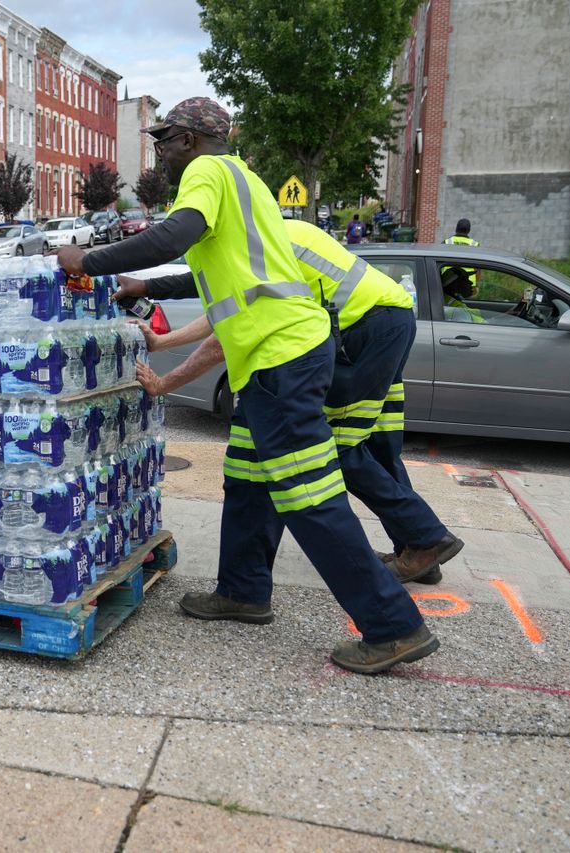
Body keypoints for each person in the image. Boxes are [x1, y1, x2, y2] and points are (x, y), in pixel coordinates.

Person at [55, 97, 437, 675]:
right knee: (249, 478)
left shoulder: (207, 172)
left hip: (281, 357)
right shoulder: (247, 182)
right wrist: (140, 281)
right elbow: (210, 265)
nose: (160, 152)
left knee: (308, 494)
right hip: (274, 358)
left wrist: (89, 258)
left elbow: (173, 236)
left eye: (164, 141)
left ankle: (393, 627)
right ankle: (243, 590)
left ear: (188, 140)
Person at [120, 217, 464, 585]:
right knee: (376, 446)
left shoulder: (252, 254)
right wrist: (158, 326)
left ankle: (427, 537)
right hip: (389, 322)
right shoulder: (266, 233)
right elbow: (219, 303)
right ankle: (418, 550)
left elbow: (225, 333)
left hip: (363, 334)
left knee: (339, 448)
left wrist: (163, 383)